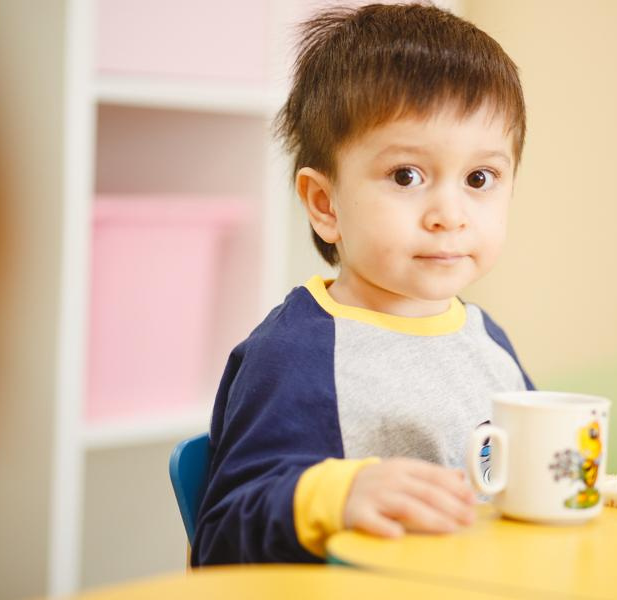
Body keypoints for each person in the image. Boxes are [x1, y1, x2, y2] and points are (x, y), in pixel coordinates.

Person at [192, 2, 533, 565]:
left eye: (480, 178)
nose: (450, 213)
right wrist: (339, 495)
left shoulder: (486, 340)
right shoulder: (294, 353)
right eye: (407, 175)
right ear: (326, 204)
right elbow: (223, 533)